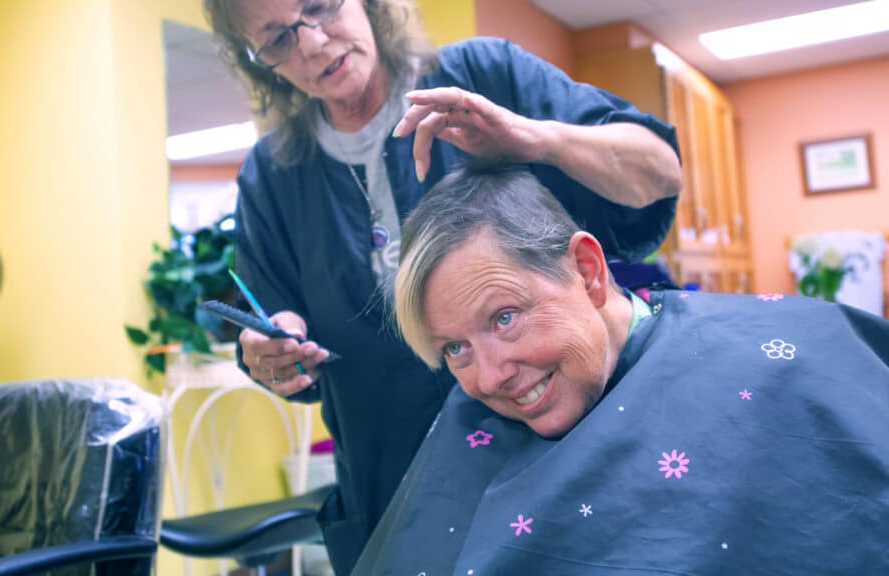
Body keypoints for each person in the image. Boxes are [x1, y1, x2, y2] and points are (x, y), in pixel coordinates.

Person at [201, 0, 682, 571]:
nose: (310, 44)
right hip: (395, 487)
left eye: (320, 7)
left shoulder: (480, 76)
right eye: (277, 40)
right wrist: (276, 349)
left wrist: (536, 139)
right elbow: (277, 322)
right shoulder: (272, 175)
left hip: (557, 459)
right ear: (261, 65)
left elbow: (659, 172)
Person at [353, 162, 889, 574]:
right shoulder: (470, 424)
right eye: (455, 349)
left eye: (506, 317)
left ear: (586, 271)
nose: (489, 378)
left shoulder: (783, 359)